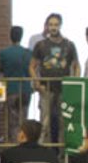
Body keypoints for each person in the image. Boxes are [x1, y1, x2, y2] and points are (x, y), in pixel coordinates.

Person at [29, 13, 79, 146]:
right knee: (44, 122)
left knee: (64, 122)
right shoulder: (40, 45)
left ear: (60, 25)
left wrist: (74, 84)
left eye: (56, 24)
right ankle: (43, 152)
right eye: (51, 25)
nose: (53, 27)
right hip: (46, 88)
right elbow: (32, 66)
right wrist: (37, 82)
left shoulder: (69, 45)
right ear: (47, 26)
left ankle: (64, 154)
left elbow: (76, 65)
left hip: (64, 89)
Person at [0, 26, 32, 146]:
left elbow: (0, 70)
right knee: (24, 119)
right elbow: (31, 71)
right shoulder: (28, 53)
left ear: (10, 36)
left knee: (12, 121)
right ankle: (24, 144)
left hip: (11, 89)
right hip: (26, 89)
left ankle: (14, 144)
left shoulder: (4, 53)